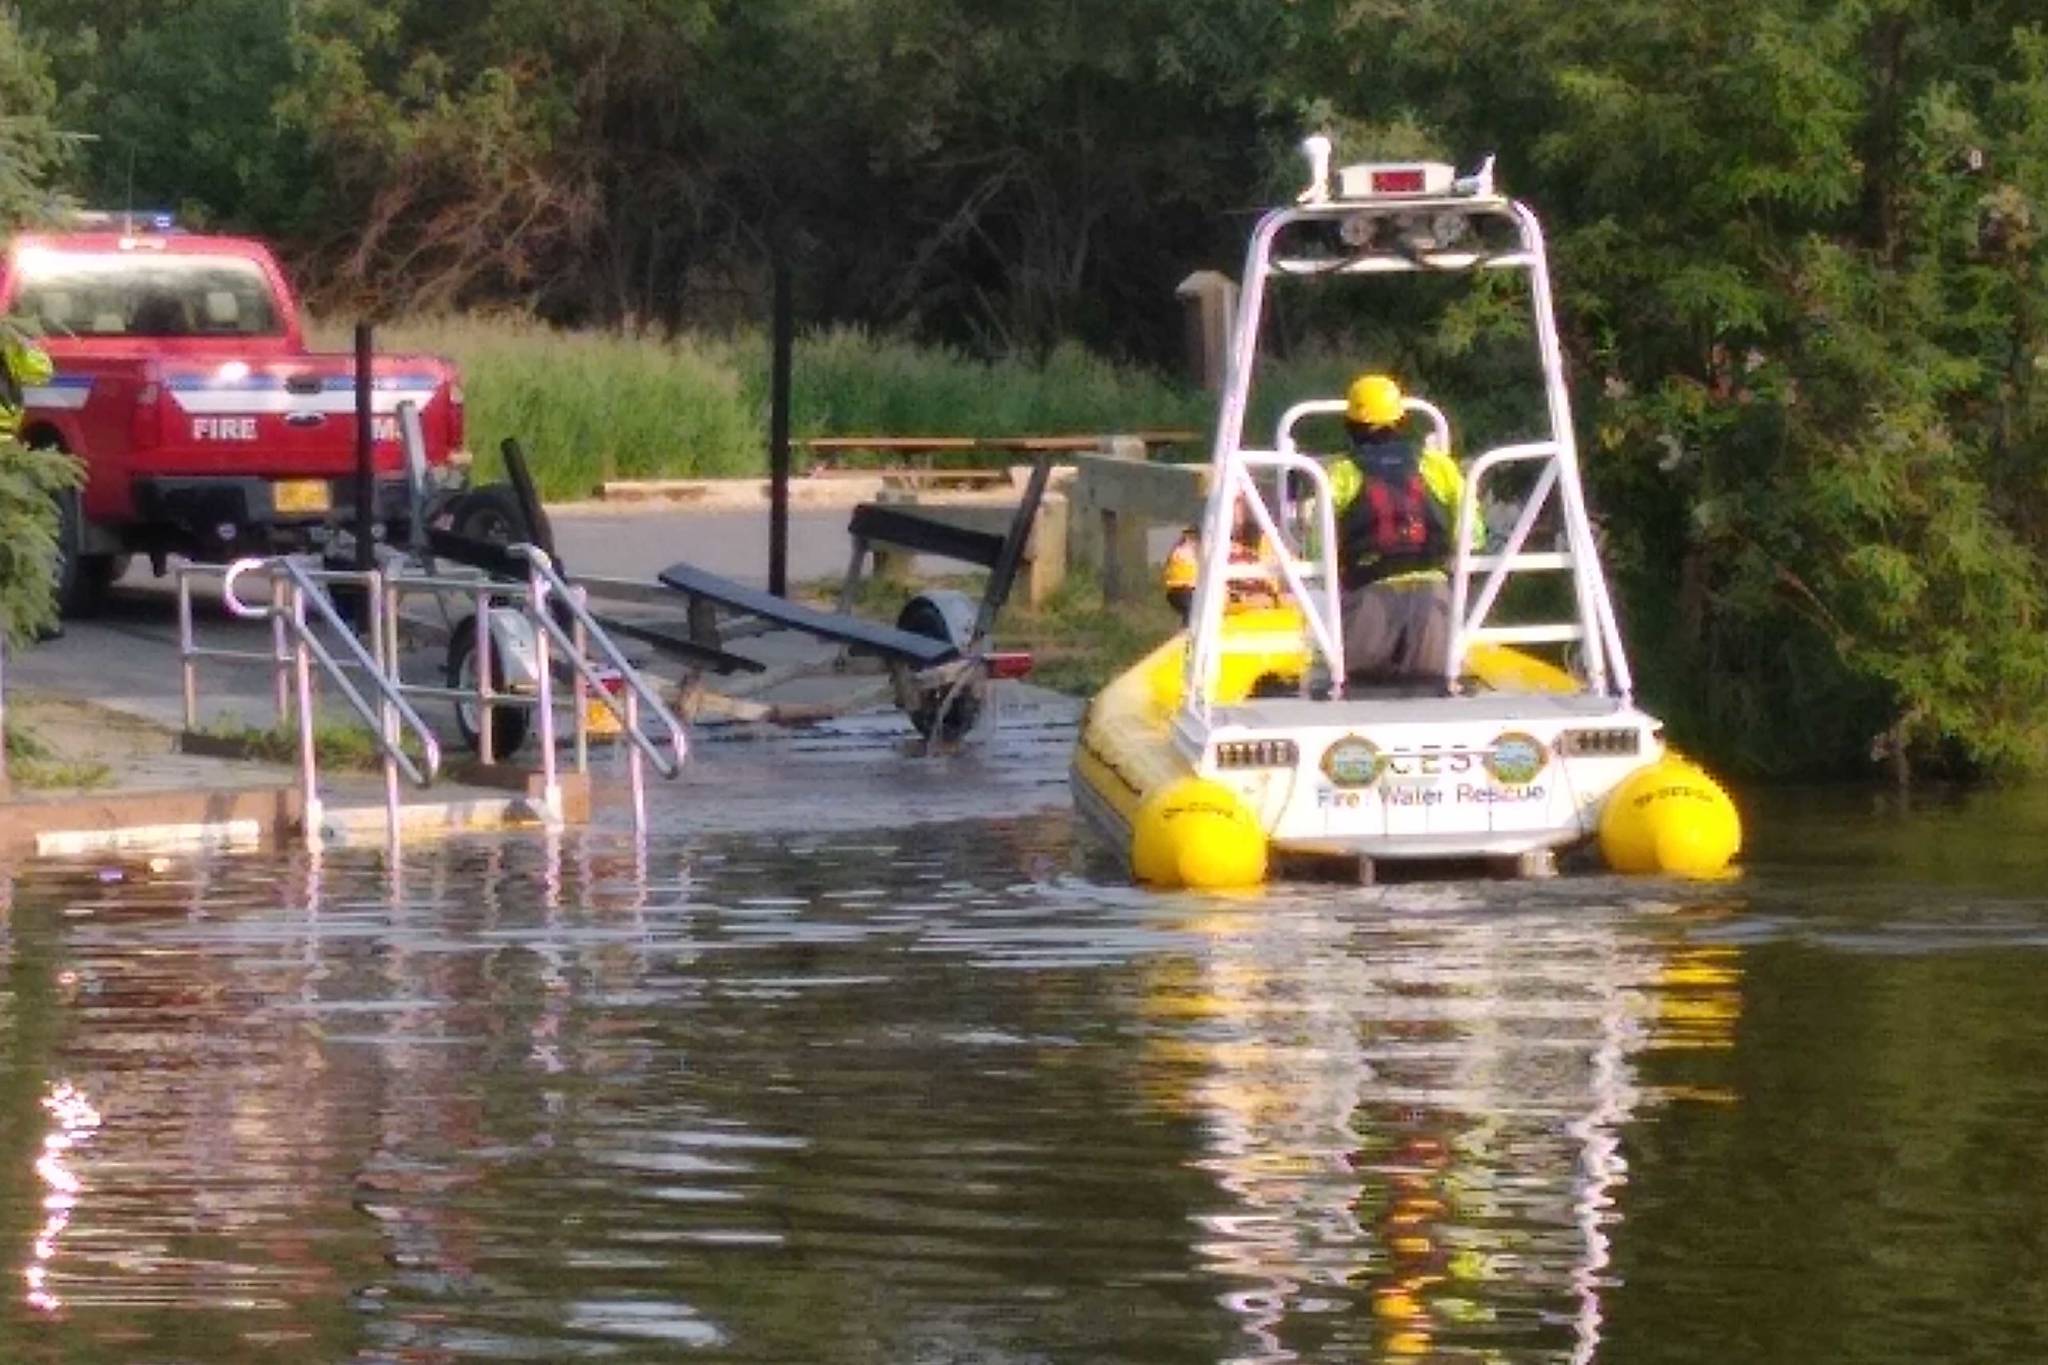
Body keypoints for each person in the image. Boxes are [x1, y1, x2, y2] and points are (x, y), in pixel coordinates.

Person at [1328, 372, 1466, 686]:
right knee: (1433, 687)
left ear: (1351, 426)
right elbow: (1476, 533)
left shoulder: (1340, 474)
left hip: (1368, 597)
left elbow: (1317, 550)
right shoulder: (1440, 466)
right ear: (1402, 421)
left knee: (1361, 691)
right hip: (1434, 600)